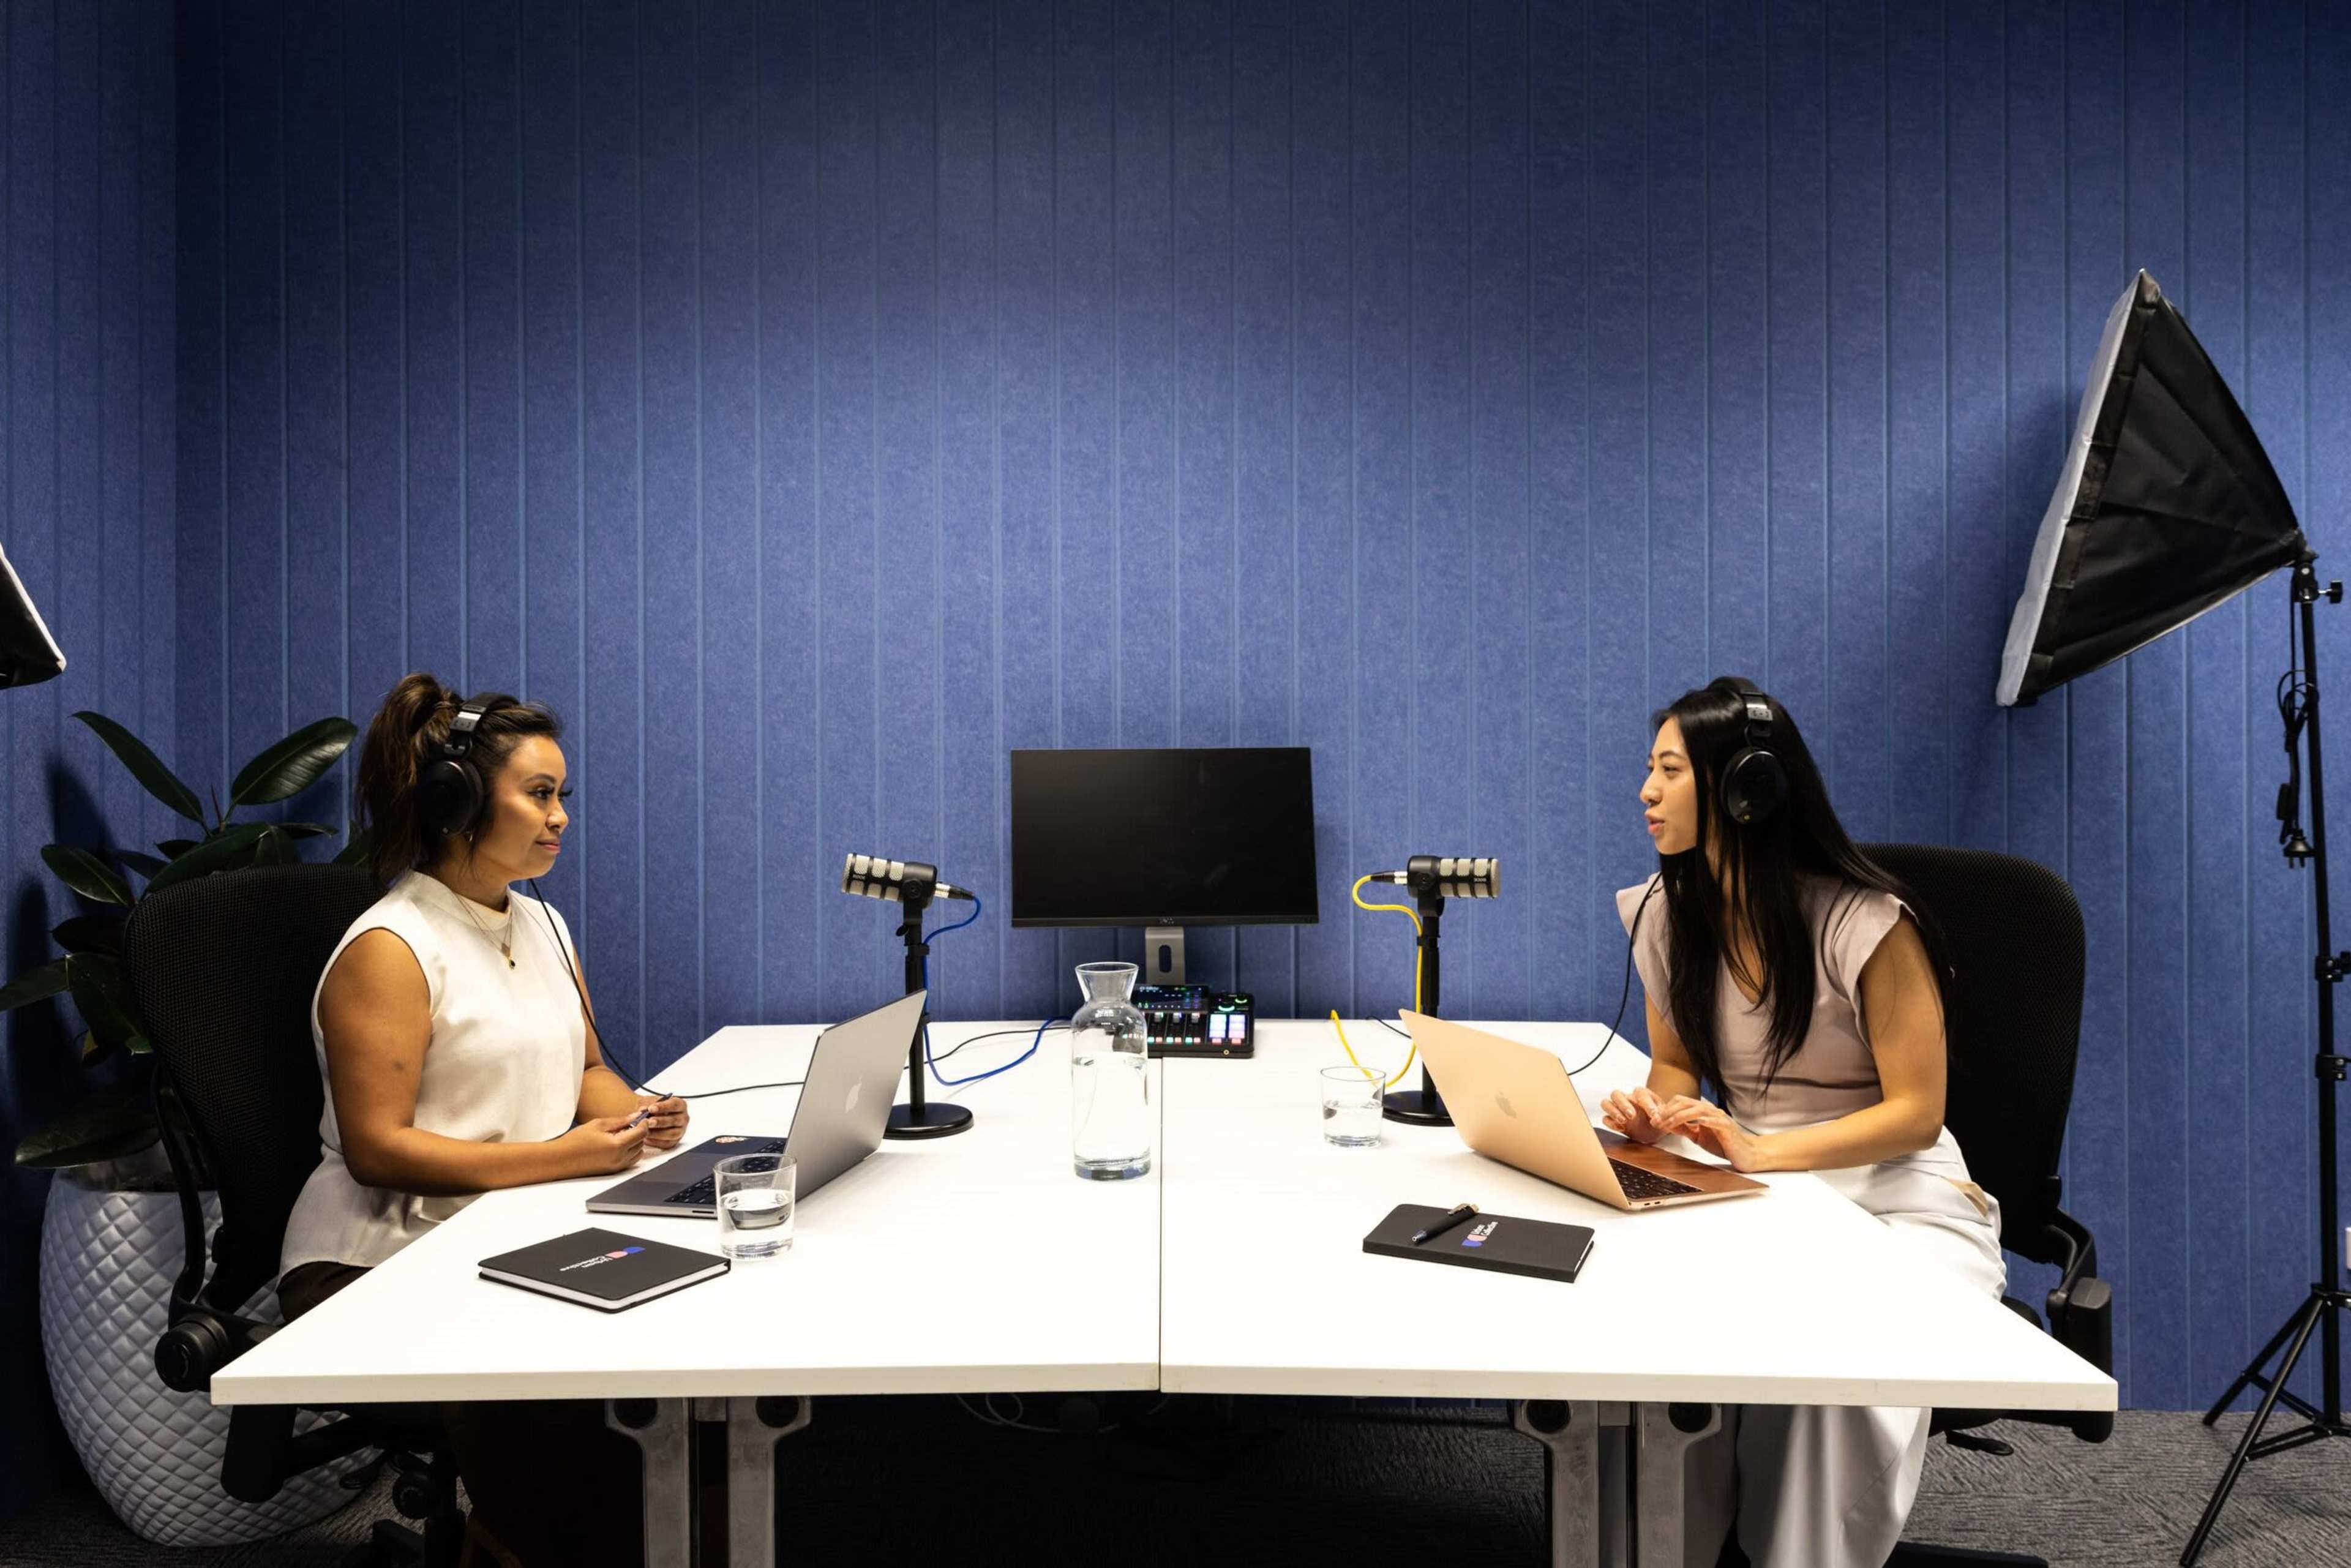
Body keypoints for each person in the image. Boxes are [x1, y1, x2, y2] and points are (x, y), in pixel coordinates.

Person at [276, 672, 689, 1567]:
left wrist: (641, 1117)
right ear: (456, 801)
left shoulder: (543, 924)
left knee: (661, 1347)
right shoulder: (392, 947)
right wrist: (567, 1157)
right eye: (539, 794)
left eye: (562, 795)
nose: (560, 817)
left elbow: (586, 1072)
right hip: (378, 1252)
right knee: (570, 1420)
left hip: (502, 1222)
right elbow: (378, 1150)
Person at [1599, 677, 2004, 1568]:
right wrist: (1655, 1112)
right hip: (1760, 1189)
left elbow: (1917, 1114)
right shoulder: (1665, 915)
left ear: (1745, 789)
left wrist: (1763, 1148)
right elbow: (1678, 1065)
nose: (1646, 791)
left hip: (1902, 1199)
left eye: (1670, 771)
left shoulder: (1868, 923)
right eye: (1650, 769)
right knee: (1654, 1344)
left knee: (1830, 1376)